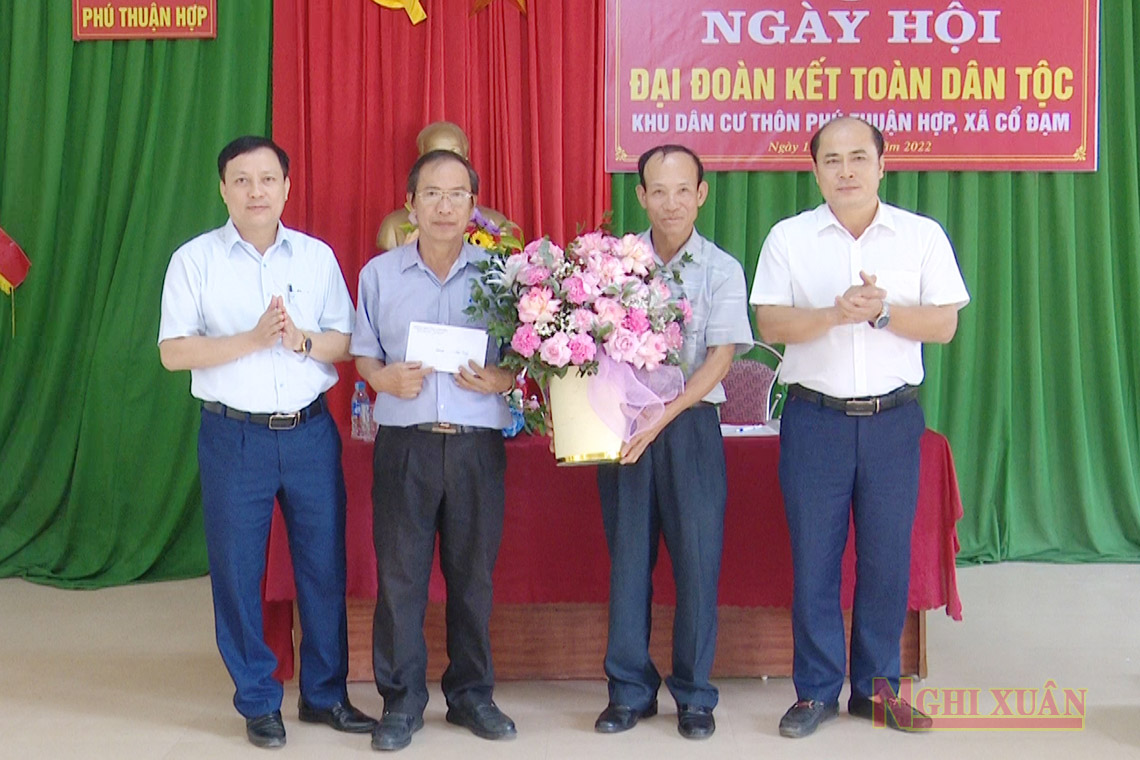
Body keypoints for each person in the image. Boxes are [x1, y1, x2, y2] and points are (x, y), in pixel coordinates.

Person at [750, 117, 970, 738]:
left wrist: (884, 315)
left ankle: (878, 690)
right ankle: (815, 692)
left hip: (893, 423)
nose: (845, 171)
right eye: (831, 160)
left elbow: (944, 326)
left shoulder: (920, 236)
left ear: (882, 163)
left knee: (886, 560)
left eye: (858, 158)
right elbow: (769, 324)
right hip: (815, 420)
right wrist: (832, 314)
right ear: (814, 168)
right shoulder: (789, 239)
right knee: (814, 559)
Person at [158, 135, 376, 748]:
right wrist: (253, 339)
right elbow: (174, 352)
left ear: (286, 187)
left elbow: (344, 340)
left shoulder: (315, 257)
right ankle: (257, 699)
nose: (256, 191)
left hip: (309, 434)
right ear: (223, 189)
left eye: (267, 179)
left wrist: (300, 340)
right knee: (237, 570)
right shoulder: (193, 261)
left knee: (324, 567)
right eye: (242, 180)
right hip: (234, 437)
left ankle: (325, 695)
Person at [352, 149, 519, 752]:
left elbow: (526, 360)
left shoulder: (505, 276)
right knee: (400, 578)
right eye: (432, 194)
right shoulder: (379, 275)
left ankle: (472, 695)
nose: (445, 206)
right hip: (406, 445)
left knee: (473, 578)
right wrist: (380, 378)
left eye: (457, 195)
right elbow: (363, 351)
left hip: (477, 448)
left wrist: (501, 381)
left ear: (475, 206)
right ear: (410, 204)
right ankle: (401, 701)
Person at [593, 145, 753, 740]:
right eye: (658, 191)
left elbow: (721, 359)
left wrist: (665, 414)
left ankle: (694, 694)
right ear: (640, 196)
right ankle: (629, 691)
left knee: (697, 562)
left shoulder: (721, 269)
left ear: (702, 194)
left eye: (683, 190)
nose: (671, 203)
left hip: (688, 427)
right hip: (625, 425)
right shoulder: (613, 268)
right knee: (629, 563)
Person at [375, 121, 512, 251]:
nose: (445, 167)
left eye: (454, 156)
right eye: (436, 157)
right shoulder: (393, 226)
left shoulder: (495, 223)